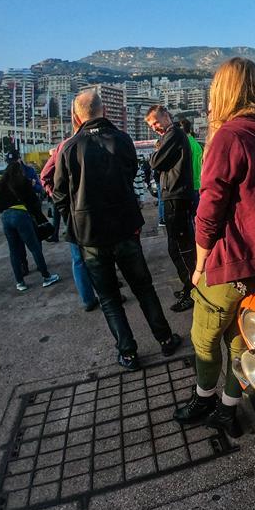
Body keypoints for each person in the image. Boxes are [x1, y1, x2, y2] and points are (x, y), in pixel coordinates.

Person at [173, 57, 255, 438]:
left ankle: (203, 396)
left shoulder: (230, 136)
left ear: (222, 91)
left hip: (233, 258)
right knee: (240, 339)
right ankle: (228, 407)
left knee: (204, 337)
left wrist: (198, 264)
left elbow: (210, 210)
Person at [53, 89, 181, 370]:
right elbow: (129, 175)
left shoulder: (70, 148)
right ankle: (165, 339)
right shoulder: (123, 140)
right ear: (105, 111)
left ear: (76, 116)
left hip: (91, 236)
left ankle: (128, 352)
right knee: (144, 288)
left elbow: (60, 194)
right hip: (125, 229)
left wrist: (75, 223)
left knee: (109, 298)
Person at [146, 105, 196, 312]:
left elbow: (155, 163)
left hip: (177, 196)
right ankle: (188, 287)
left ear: (166, 116)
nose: (155, 127)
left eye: (156, 122)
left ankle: (193, 292)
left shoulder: (173, 134)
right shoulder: (171, 135)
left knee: (181, 249)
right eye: (151, 125)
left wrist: (156, 153)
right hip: (173, 195)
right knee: (176, 247)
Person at [41, 142, 100, 311]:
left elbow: (45, 177)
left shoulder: (62, 147)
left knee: (78, 258)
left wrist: (59, 200)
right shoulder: (90, 143)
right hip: (89, 206)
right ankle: (106, 295)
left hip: (72, 210)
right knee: (99, 252)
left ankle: (89, 299)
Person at [0, 160, 60, 291]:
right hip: (20, 215)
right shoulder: (23, 182)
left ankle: (20, 282)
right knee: (34, 246)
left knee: (14, 251)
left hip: (5, 217)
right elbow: (33, 201)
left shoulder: (1, 185)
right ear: (19, 171)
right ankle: (46, 277)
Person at [179, 118, 203, 216]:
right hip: (198, 183)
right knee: (195, 217)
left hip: (188, 185)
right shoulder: (196, 144)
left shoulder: (185, 144)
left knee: (188, 218)